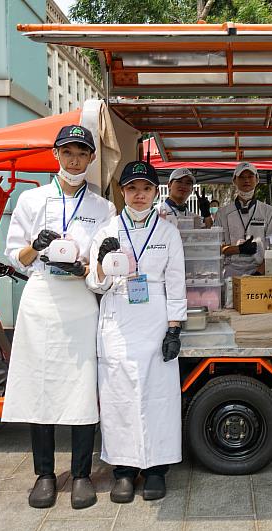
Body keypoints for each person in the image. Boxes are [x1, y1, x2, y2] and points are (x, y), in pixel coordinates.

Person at [2, 124, 115, 510]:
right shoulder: (32, 200)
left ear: (92, 158)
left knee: (82, 388)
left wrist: (89, 266)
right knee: (40, 386)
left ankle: (81, 474)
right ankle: (45, 474)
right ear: (55, 154)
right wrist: (36, 247)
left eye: (82, 153)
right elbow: (12, 255)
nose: (74, 159)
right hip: (42, 299)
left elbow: (104, 261)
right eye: (67, 152)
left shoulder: (103, 207)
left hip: (81, 300)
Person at [87, 160, 187, 502]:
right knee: (118, 396)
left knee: (159, 396)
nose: (139, 195)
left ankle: (157, 468)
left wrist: (174, 329)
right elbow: (95, 285)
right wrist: (100, 264)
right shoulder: (106, 231)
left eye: (146, 188)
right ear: (123, 192)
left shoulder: (168, 232)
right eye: (132, 189)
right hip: (117, 317)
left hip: (156, 319)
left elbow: (176, 284)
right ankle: (124, 470)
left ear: (154, 191)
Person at [214, 162, 272, 277]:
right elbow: (216, 248)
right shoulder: (222, 213)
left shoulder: (269, 211)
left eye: (250, 176)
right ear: (234, 181)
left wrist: (259, 273)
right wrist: (238, 249)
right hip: (231, 272)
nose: (246, 180)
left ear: (257, 179)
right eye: (242, 177)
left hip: (260, 272)